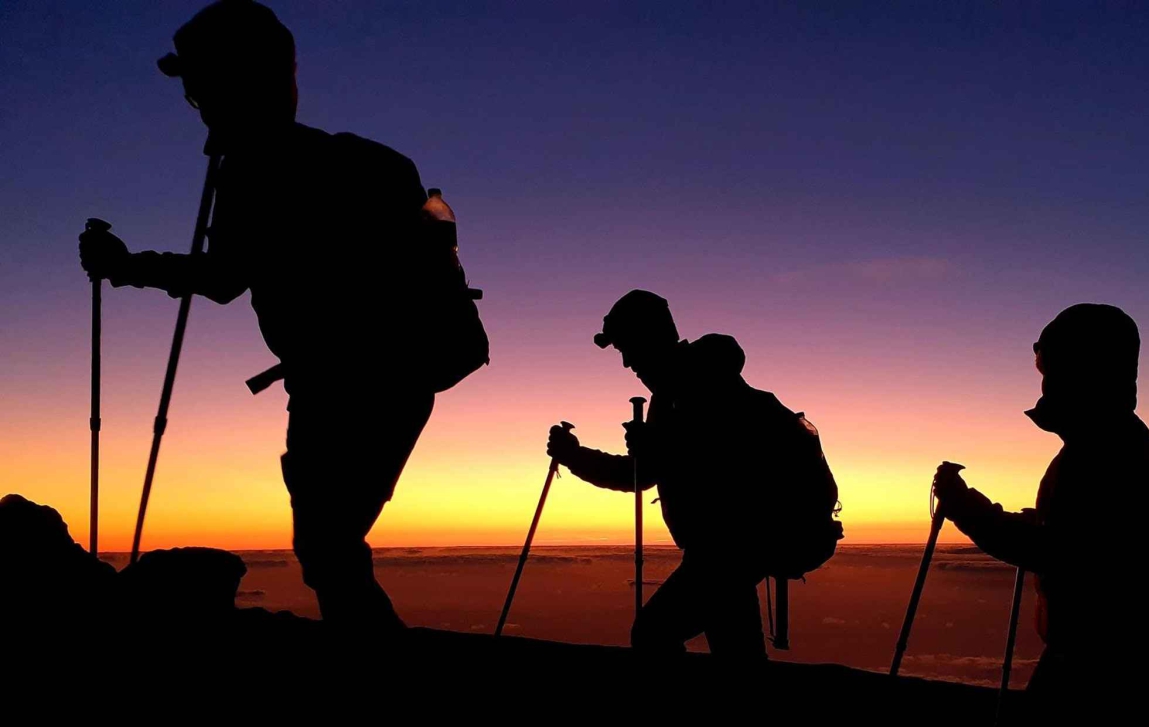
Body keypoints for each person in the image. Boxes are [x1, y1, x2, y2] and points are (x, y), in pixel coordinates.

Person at [78, 0, 485, 631]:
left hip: (341, 386)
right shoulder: (364, 161)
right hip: (404, 377)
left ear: (240, 83)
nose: (198, 107)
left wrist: (126, 265)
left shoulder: (259, 169)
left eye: (201, 90)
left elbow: (223, 278)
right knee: (332, 546)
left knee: (327, 548)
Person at [933, 304, 1149, 703]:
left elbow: (1060, 552)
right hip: (1121, 644)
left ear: (1084, 370)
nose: (1045, 383)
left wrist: (965, 507)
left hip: (1111, 655)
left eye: (1052, 368)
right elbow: (1083, 534)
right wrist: (1034, 519)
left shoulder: (1106, 450)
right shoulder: (1107, 441)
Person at [547, 290, 811, 660]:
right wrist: (583, 456)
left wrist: (652, 449)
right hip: (734, 549)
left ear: (651, 337)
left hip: (726, 549)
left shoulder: (694, 387)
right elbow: (654, 470)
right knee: (737, 653)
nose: (626, 362)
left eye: (628, 347)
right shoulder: (683, 388)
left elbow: (708, 466)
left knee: (653, 633)